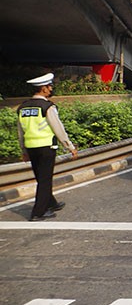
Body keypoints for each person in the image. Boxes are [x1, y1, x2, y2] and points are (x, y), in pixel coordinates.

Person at [16, 73, 78, 221]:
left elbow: (20, 132)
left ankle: (51, 203)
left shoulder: (22, 107)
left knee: (41, 178)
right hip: (46, 147)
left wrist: (24, 151)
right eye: (49, 87)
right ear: (43, 89)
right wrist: (69, 146)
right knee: (45, 180)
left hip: (31, 148)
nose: (51, 89)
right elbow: (58, 128)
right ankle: (38, 212)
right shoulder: (47, 107)